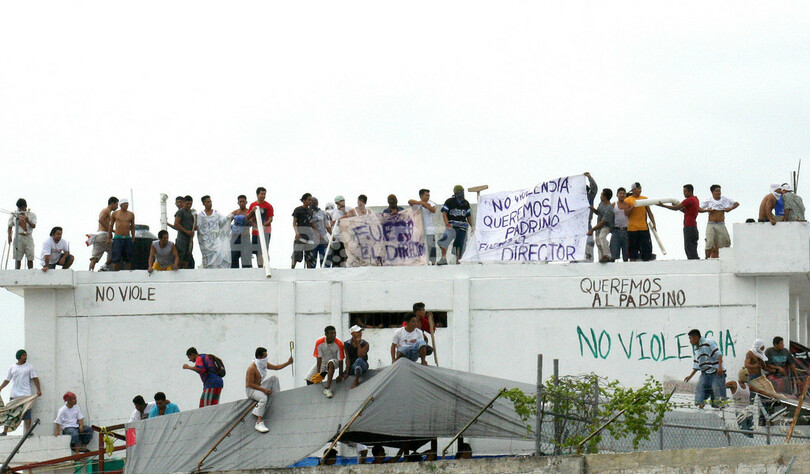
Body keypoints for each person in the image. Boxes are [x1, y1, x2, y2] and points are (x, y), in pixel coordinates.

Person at [245, 346, 293, 433]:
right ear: (259, 357)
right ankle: (259, 421)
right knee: (263, 398)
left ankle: (277, 401)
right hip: (251, 390)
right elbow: (249, 384)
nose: (266, 358)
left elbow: (276, 367)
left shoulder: (263, 363)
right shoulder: (252, 368)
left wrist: (288, 363)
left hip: (259, 387)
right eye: (264, 356)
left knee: (274, 379)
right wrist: (264, 390)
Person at [0, 349, 41, 435]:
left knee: (27, 413)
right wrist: (1, 388)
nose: (25, 357)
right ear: (19, 357)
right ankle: (5, 431)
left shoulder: (29, 367)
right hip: (14, 395)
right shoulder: (12, 367)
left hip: (26, 395)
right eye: (23, 355)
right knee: (10, 413)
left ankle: (28, 431)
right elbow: (7, 380)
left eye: (25, 355)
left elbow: (35, 378)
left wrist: (38, 390)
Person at [683, 329, 726, 408]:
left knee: (717, 391)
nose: (690, 341)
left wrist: (720, 368)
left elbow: (719, 355)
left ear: (696, 337)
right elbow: (697, 364)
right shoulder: (697, 348)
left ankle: (720, 408)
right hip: (705, 373)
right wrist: (690, 376)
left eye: (690, 338)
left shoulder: (708, 343)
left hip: (715, 371)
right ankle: (700, 405)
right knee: (700, 388)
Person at [658, 184, 700, 260]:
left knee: (689, 247)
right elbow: (685, 211)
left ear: (690, 191)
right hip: (693, 226)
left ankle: (693, 262)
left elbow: (676, 208)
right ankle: (694, 260)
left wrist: (663, 206)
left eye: (685, 191)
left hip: (689, 226)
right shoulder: (695, 199)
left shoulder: (689, 200)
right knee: (692, 246)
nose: (684, 193)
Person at [699, 185, 738, 259]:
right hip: (711, 224)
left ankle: (722, 258)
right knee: (709, 242)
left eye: (719, 191)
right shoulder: (709, 201)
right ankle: (706, 258)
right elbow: (699, 209)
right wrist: (707, 210)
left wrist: (730, 208)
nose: (718, 193)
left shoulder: (724, 200)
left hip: (721, 224)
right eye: (716, 191)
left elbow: (736, 203)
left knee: (724, 243)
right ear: (712, 192)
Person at [437, 185, 473, 265]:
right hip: (451, 227)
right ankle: (443, 259)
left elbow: (468, 216)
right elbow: (444, 213)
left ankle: (458, 261)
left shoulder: (466, 203)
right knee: (444, 242)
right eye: (460, 191)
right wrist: (447, 223)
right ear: (456, 192)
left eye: (463, 191)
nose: (462, 193)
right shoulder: (450, 201)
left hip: (463, 228)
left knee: (460, 246)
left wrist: (472, 226)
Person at [306, 326, 345, 398]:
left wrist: (340, 374)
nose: (334, 335)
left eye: (335, 333)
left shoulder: (339, 343)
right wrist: (318, 373)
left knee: (331, 362)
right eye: (331, 333)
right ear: (326, 334)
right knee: (309, 378)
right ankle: (314, 394)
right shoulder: (319, 342)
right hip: (323, 361)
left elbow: (340, 360)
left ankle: (327, 388)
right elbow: (319, 359)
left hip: (334, 361)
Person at [196, 195, 233, 268]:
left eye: (210, 201)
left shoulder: (216, 213)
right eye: (207, 202)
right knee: (209, 255)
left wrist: (229, 217)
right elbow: (199, 227)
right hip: (206, 240)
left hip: (216, 238)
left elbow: (222, 222)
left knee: (218, 252)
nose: (209, 203)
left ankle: (218, 269)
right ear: (204, 204)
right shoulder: (201, 215)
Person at [623, 182, 656, 262]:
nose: (639, 190)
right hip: (632, 228)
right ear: (633, 190)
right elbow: (626, 213)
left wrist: (654, 223)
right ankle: (633, 265)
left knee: (645, 248)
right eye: (638, 188)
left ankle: (646, 264)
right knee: (633, 249)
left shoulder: (644, 199)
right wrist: (634, 206)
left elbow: (649, 212)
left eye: (640, 188)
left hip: (643, 227)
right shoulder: (627, 200)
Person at [89, 197, 118, 271]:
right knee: (116, 252)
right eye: (116, 204)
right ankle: (105, 266)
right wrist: (111, 230)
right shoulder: (106, 210)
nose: (117, 207)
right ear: (112, 203)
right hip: (103, 235)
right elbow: (101, 220)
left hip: (98, 236)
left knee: (95, 257)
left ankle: (90, 272)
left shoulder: (107, 211)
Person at [409, 189, 437, 265]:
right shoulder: (417, 204)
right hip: (420, 230)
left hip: (430, 229)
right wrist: (421, 203)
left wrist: (425, 205)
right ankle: (422, 262)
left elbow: (433, 210)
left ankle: (433, 262)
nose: (428, 197)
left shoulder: (431, 203)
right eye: (426, 195)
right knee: (421, 247)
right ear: (421, 196)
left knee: (432, 246)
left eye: (429, 195)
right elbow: (410, 201)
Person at [7, 198, 37, 270]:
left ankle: (30, 272)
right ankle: (17, 273)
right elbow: (10, 225)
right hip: (19, 236)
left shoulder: (31, 214)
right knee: (18, 257)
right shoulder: (15, 214)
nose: (21, 209)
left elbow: (34, 226)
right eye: (19, 208)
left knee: (30, 256)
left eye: (22, 207)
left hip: (28, 236)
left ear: (25, 206)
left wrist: (28, 221)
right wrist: (9, 236)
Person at [248, 187, 274, 268]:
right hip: (255, 231)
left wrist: (263, 225)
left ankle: (265, 266)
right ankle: (260, 266)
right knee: (256, 250)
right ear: (257, 194)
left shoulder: (268, 206)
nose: (263, 196)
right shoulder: (253, 205)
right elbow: (248, 217)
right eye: (261, 194)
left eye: (264, 194)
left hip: (265, 231)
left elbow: (270, 218)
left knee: (263, 250)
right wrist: (252, 211)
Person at [291, 193, 318, 269]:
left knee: (309, 256)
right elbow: (294, 222)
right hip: (301, 234)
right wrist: (297, 232)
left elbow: (312, 222)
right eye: (309, 200)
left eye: (311, 200)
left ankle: (308, 272)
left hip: (309, 235)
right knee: (297, 254)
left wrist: (317, 232)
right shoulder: (298, 210)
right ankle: (292, 269)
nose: (310, 201)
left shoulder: (310, 211)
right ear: (304, 200)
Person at [108, 198, 136, 271]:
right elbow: (111, 226)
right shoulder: (115, 213)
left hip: (127, 238)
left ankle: (127, 274)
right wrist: (109, 237)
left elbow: (132, 226)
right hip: (118, 238)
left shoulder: (131, 214)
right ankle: (115, 273)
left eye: (127, 204)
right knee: (116, 258)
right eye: (125, 204)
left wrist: (133, 237)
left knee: (128, 258)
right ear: (121, 205)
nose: (126, 205)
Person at [588, 188, 615, 263]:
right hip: (599, 226)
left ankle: (608, 255)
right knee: (598, 242)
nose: (600, 196)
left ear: (605, 196)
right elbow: (599, 213)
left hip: (606, 226)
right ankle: (602, 256)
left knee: (602, 237)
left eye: (601, 195)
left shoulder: (609, 209)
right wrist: (593, 209)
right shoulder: (601, 204)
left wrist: (592, 229)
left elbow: (603, 222)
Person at [326, 196, 350, 268]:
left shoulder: (349, 209)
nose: (343, 202)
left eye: (343, 200)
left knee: (345, 257)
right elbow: (326, 216)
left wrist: (343, 213)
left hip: (346, 238)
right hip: (337, 238)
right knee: (336, 257)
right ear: (337, 202)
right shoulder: (333, 212)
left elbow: (352, 215)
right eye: (341, 201)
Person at [230, 195, 252, 268]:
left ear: (246, 202)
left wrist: (247, 222)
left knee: (246, 258)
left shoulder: (249, 212)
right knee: (233, 257)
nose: (242, 203)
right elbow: (227, 222)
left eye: (243, 201)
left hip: (245, 237)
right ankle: (234, 276)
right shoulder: (235, 212)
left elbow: (252, 223)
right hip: (235, 237)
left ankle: (247, 276)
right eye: (240, 202)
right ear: (238, 203)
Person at [173, 196, 195, 269]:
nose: (189, 205)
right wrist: (186, 231)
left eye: (190, 204)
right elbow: (176, 224)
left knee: (188, 256)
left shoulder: (191, 213)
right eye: (187, 203)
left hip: (189, 239)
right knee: (180, 256)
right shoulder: (181, 212)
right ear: (184, 203)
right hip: (182, 239)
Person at [310, 198, 332, 267]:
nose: (314, 203)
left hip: (323, 240)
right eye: (312, 202)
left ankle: (326, 275)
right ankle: (311, 276)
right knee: (312, 261)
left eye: (315, 202)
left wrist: (332, 235)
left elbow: (327, 225)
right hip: (312, 241)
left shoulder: (322, 213)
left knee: (325, 259)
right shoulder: (307, 212)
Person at [610, 187, 630, 262]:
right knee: (613, 253)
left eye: (623, 193)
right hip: (616, 230)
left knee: (626, 254)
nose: (622, 195)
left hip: (626, 230)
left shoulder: (628, 204)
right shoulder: (613, 205)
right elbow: (609, 216)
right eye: (620, 193)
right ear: (617, 195)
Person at [583, 172, 599, 262]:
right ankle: (576, 259)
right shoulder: (575, 200)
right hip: (577, 225)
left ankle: (589, 259)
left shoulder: (590, 197)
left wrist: (589, 177)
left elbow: (594, 188)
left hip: (587, 224)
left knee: (589, 243)